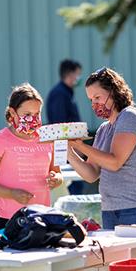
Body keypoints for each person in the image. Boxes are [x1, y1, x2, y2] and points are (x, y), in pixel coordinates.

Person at [67, 67, 136, 257]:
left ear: (113, 92)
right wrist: (69, 151)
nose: (94, 104)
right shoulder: (104, 129)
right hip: (112, 210)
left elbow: (114, 162)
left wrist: (80, 145)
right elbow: (91, 174)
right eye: (90, 100)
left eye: (97, 97)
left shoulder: (131, 116)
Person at [0, 83, 63, 271]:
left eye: (37, 113)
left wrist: (56, 179)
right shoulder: (0, 139)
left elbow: (58, 173)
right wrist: (12, 194)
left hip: (39, 218)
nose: (33, 119)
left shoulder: (48, 137)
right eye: (27, 114)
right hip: (5, 217)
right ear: (12, 113)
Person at [46, 59, 84, 194]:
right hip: (65, 150)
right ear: (70, 74)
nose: (79, 78)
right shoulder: (60, 94)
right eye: (78, 74)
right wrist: (73, 148)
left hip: (70, 147)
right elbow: (60, 126)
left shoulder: (66, 93)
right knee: (70, 187)